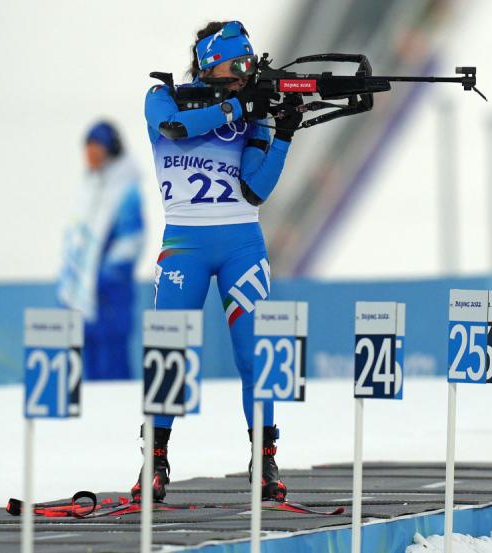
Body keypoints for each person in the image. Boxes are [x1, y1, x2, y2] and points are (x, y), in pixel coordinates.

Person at [132, 20, 302, 504]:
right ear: (210, 62)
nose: (248, 71)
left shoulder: (254, 109)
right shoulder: (162, 96)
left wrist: (281, 130)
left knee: (256, 356)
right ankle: (155, 459)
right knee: (171, 354)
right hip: (184, 241)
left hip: (241, 244)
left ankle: (264, 458)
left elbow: (255, 188)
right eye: (239, 63)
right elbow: (176, 127)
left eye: (251, 63)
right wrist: (237, 106)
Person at [58, 121, 144, 380]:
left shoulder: (127, 191)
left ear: (112, 151)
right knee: (87, 370)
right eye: (88, 150)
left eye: (97, 149)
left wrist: (107, 277)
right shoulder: (89, 187)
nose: (90, 156)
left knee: (113, 367)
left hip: (110, 295)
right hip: (82, 295)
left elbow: (131, 241)